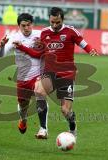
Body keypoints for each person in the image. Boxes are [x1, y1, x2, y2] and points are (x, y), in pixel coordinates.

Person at [14, 7, 99, 138]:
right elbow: (38, 54)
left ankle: (72, 126)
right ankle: (43, 129)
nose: (54, 25)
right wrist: (22, 47)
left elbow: (82, 43)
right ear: (49, 19)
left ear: (62, 20)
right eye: (52, 22)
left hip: (67, 74)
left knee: (65, 111)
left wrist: (90, 49)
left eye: (57, 22)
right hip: (50, 73)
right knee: (39, 91)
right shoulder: (44, 33)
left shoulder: (70, 31)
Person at [0, 13, 49, 139]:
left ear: (32, 24)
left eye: (29, 25)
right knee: (23, 105)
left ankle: (43, 128)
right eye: (23, 25)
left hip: (38, 74)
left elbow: (48, 49)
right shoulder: (14, 37)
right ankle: (23, 119)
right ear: (19, 26)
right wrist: (2, 45)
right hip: (22, 78)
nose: (26, 28)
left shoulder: (40, 35)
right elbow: (0, 55)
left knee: (40, 92)